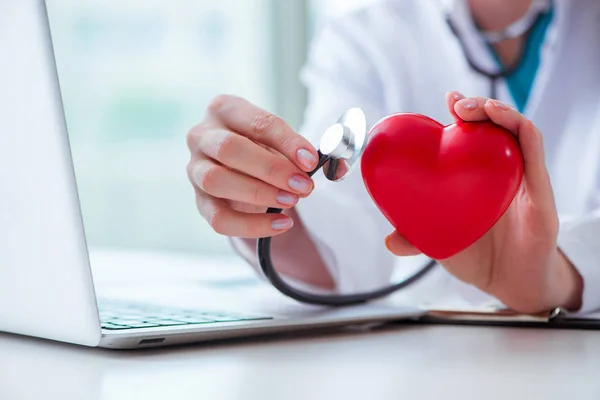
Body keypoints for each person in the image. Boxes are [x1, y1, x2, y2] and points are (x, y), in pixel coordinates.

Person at [186, 0, 600, 315]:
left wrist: (556, 276)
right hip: (432, 363)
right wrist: (259, 196)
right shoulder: (366, 27)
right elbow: (346, 241)